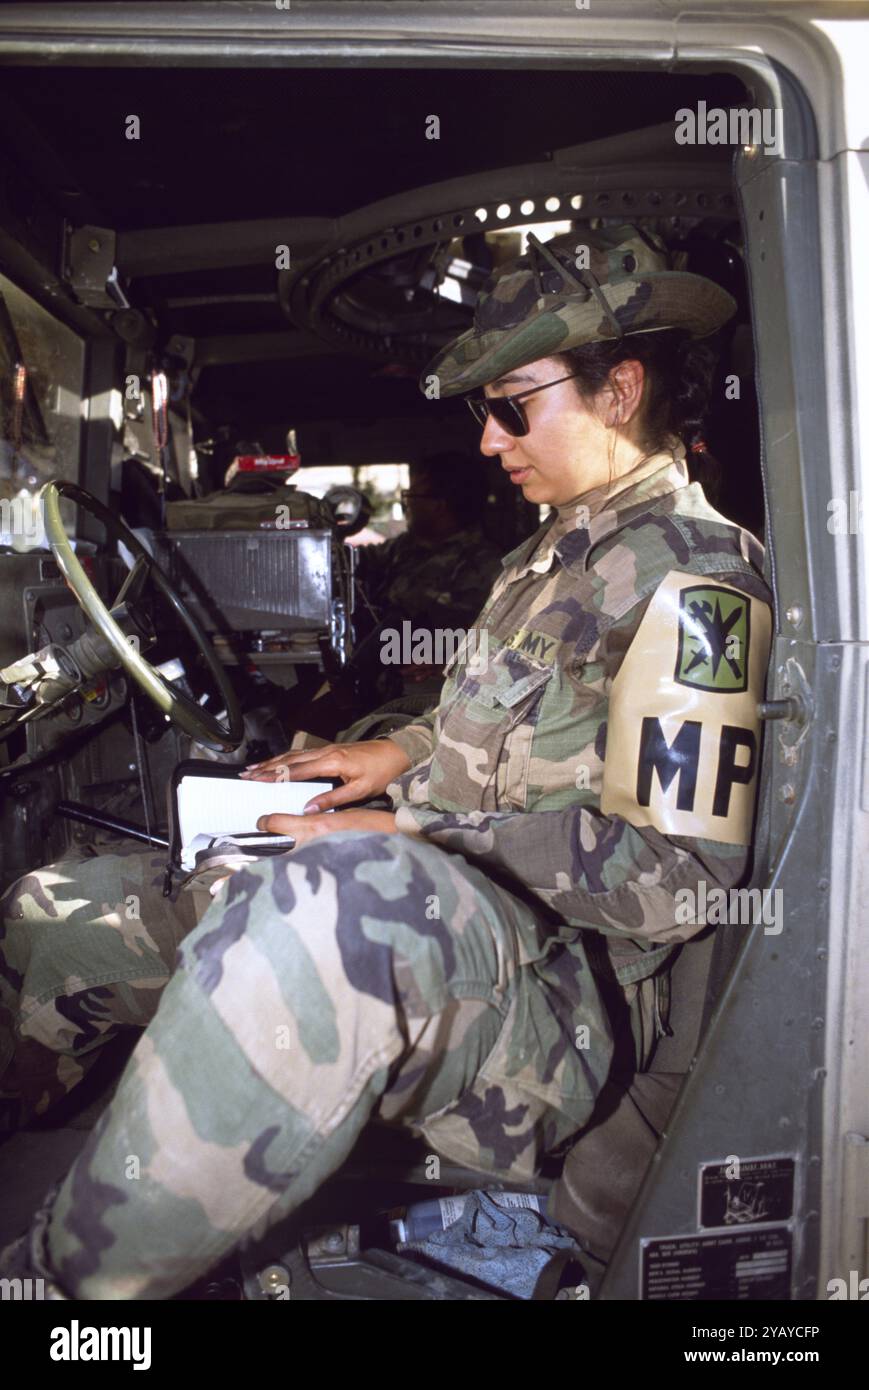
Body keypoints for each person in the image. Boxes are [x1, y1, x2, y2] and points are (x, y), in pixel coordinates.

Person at [0, 224, 772, 1299]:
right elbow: (513, 730)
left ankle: (63, 1290)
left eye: (513, 406)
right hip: (456, 917)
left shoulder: (699, 584)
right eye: (483, 413)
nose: (491, 441)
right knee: (51, 908)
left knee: (331, 910)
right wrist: (390, 753)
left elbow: (672, 877)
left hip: (563, 1003)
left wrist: (410, 830)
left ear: (618, 387)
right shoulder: (552, 551)